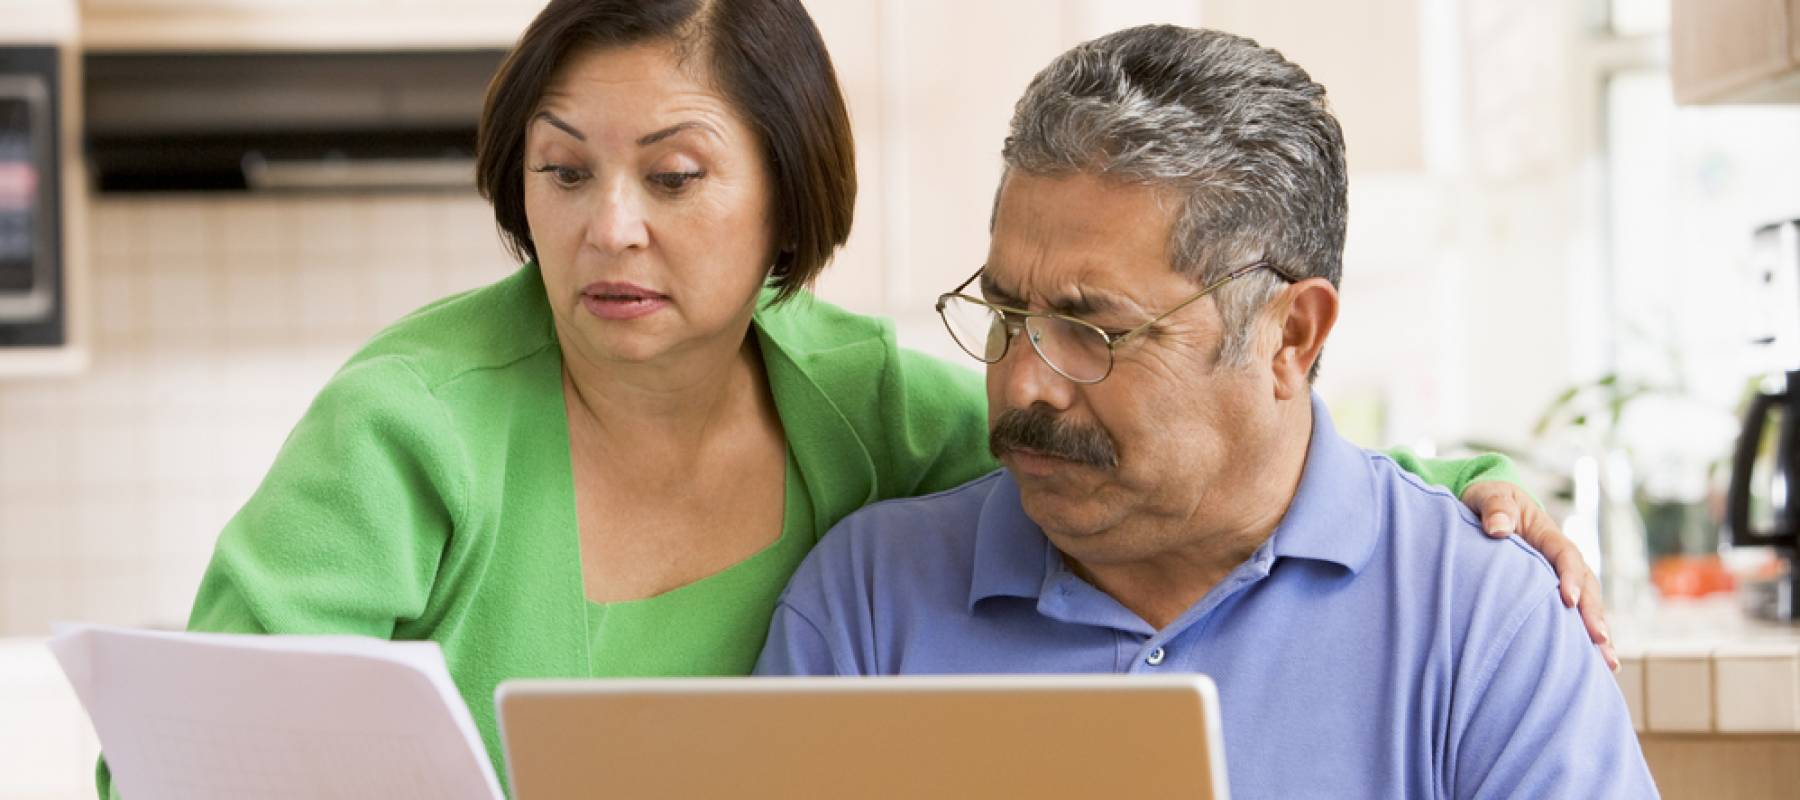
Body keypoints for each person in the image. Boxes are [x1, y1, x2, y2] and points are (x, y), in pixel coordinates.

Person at [96, 2, 1601, 796]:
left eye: (674, 177)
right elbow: (185, 756)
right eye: (564, 172)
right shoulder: (415, 424)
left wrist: (1451, 494)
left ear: (782, 206)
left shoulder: (867, 404)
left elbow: (1207, 463)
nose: (609, 228)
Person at [756, 24, 1654, 799]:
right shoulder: (865, 608)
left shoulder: (1484, 621)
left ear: (1290, 336)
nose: (1022, 384)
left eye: (1088, 328)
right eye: (1005, 314)